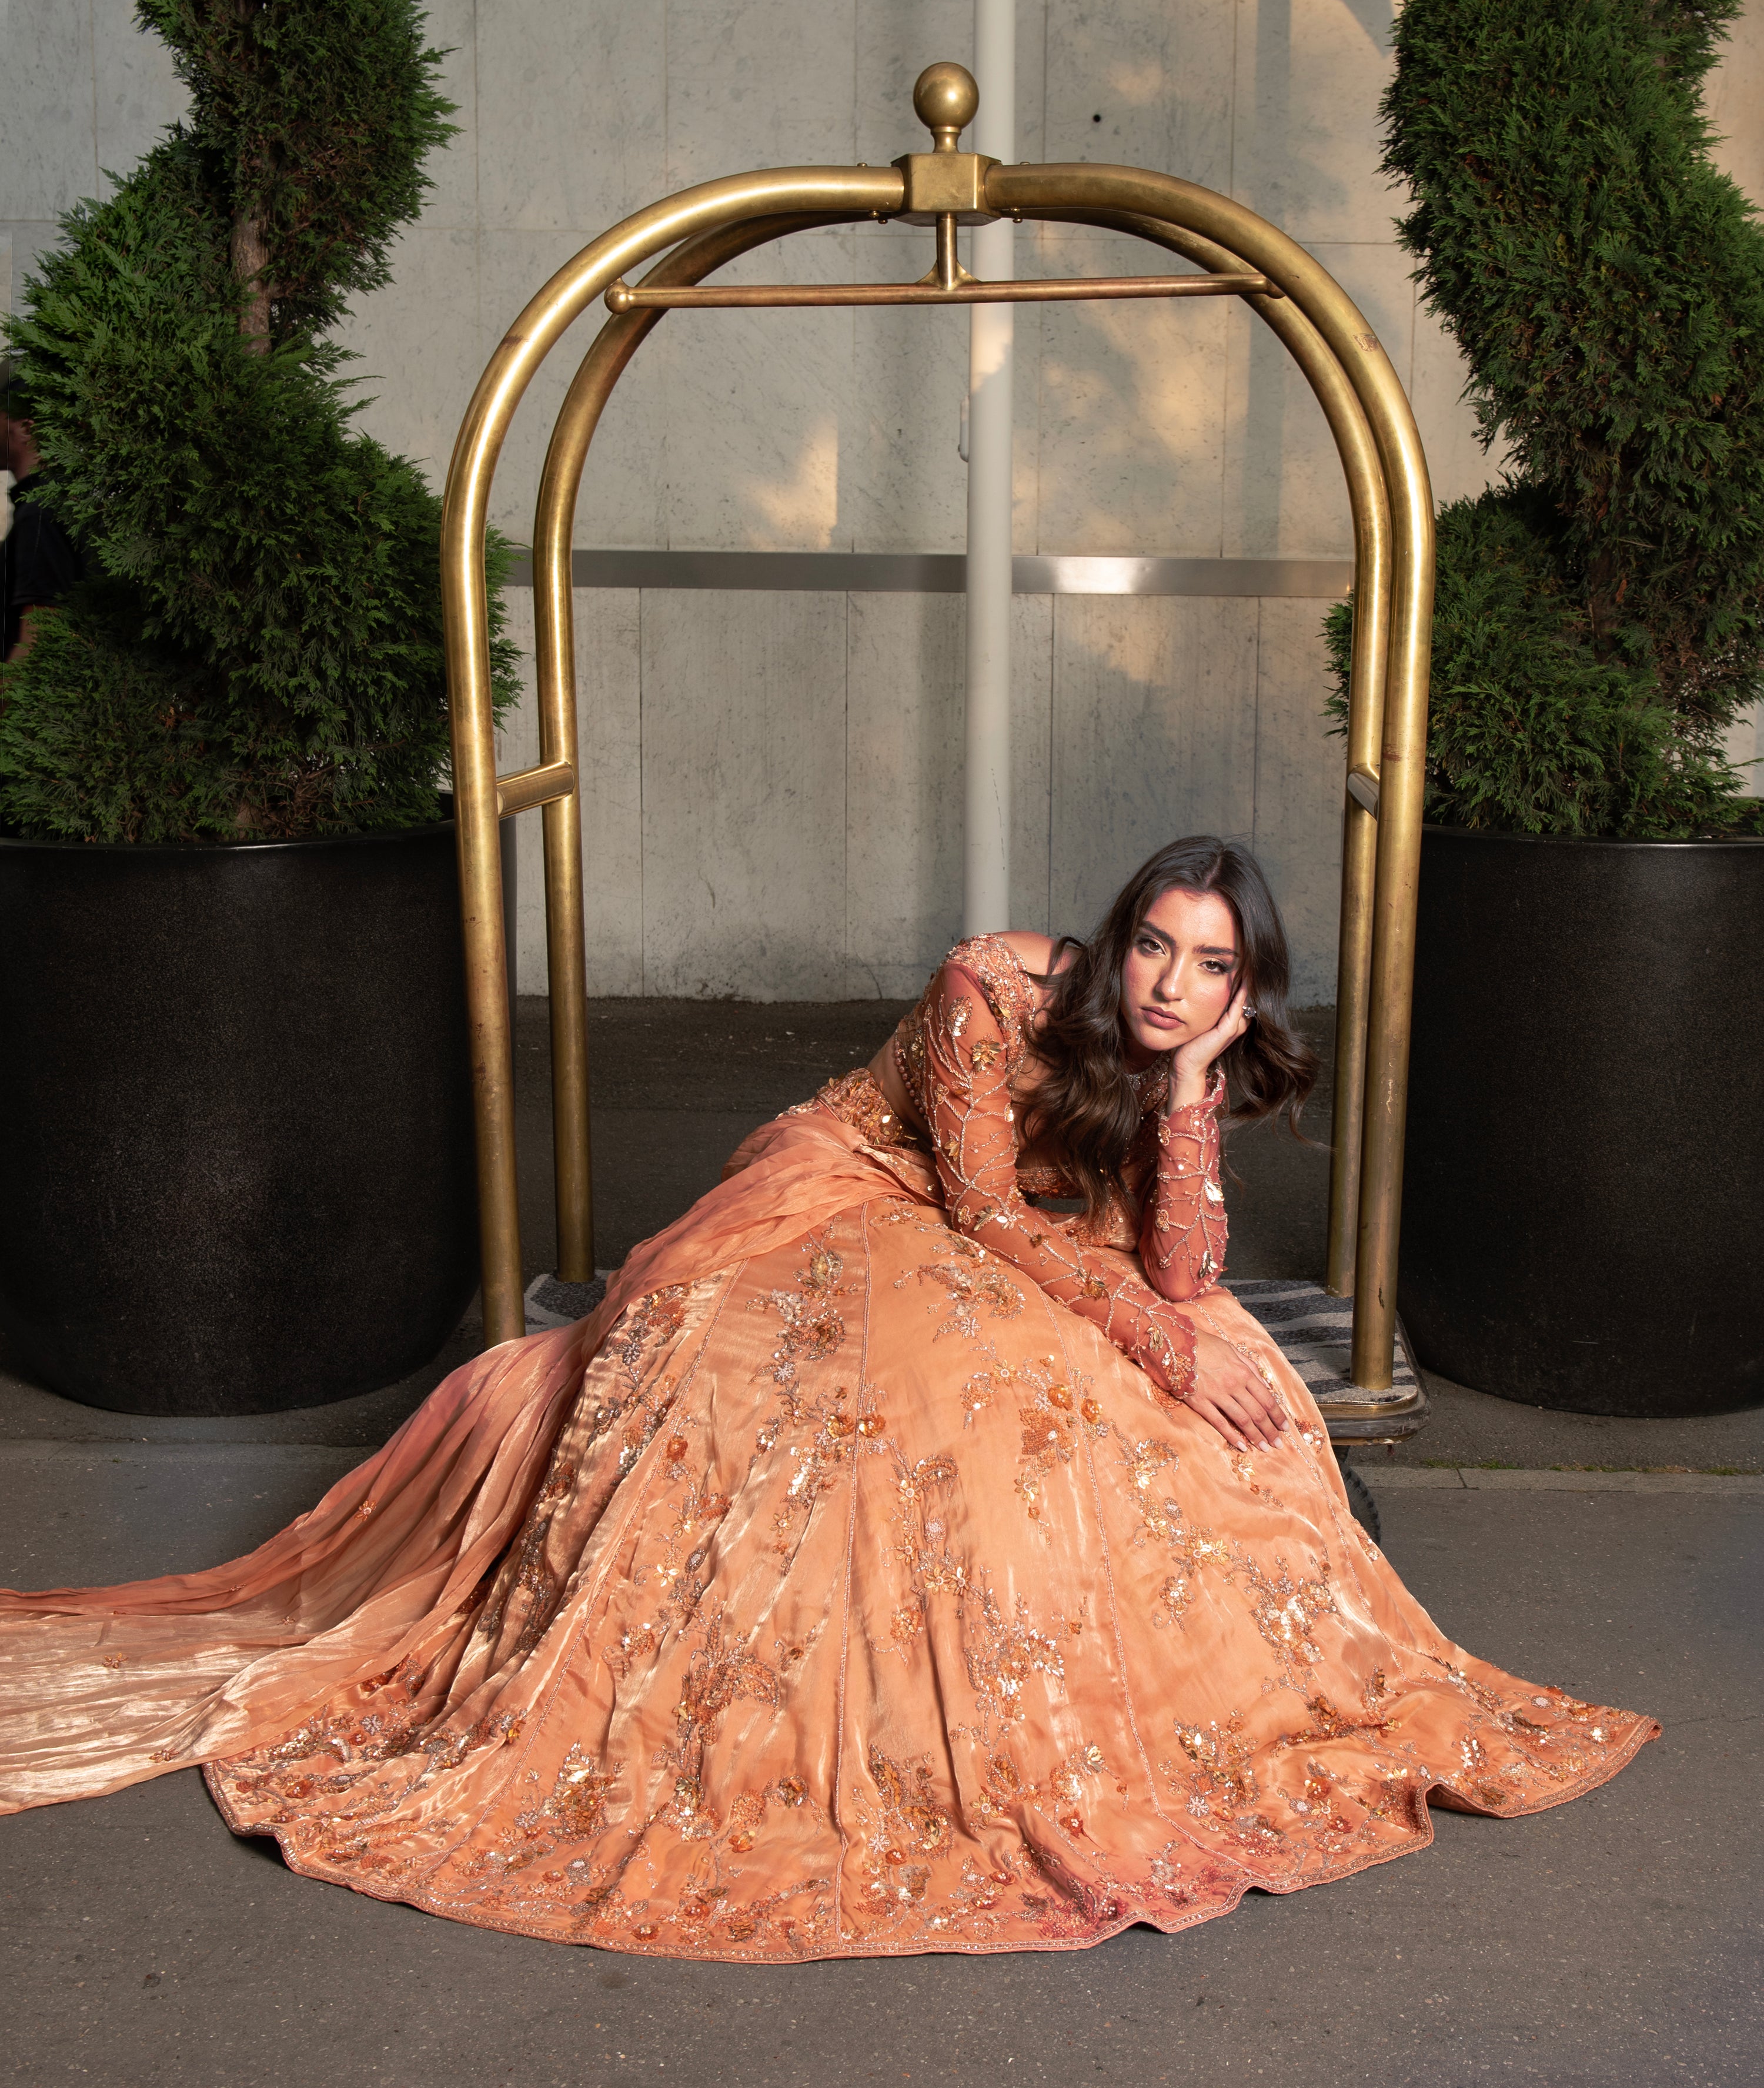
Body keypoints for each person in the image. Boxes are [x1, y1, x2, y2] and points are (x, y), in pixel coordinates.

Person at [0, 837, 1654, 1959]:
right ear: (1114, 933)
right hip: (866, 1195)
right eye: (1152, 944)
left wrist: (1194, 1093)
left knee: (1176, 1393)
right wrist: (1162, 1337)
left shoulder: (1188, 1049)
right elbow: (991, 1215)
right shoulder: (993, 986)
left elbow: (1182, 1258)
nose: (1161, 980)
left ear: (1242, 985)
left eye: (1206, 966)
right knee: (906, 1395)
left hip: (1019, 1231)